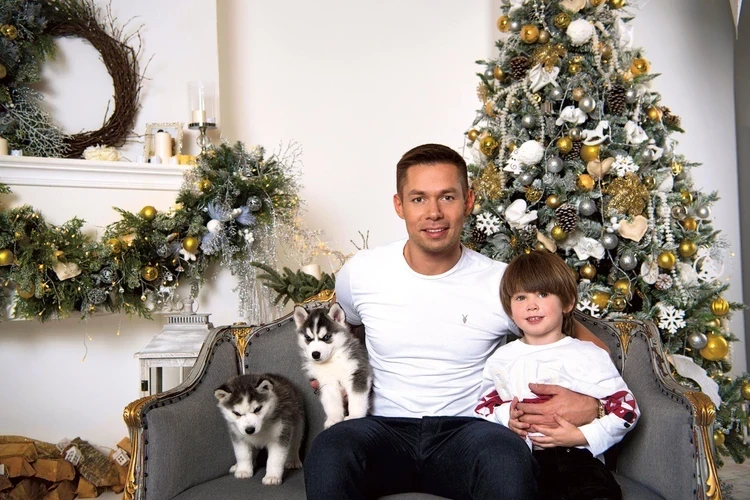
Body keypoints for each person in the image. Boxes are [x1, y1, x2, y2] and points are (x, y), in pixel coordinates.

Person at [303, 143, 606, 500]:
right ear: (399, 205)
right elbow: (342, 328)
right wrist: (332, 374)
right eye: (418, 199)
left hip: (470, 432)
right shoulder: (361, 272)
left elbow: (587, 347)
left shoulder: (503, 283)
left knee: (507, 458)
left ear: (468, 201)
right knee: (329, 450)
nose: (434, 213)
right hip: (382, 431)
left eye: (447, 197)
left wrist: (591, 403)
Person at [475, 250, 639, 500]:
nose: (531, 305)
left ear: (568, 302)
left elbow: (626, 409)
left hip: (575, 458)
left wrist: (580, 436)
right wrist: (507, 416)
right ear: (509, 309)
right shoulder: (502, 358)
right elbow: (484, 406)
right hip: (521, 458)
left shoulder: (588, 354)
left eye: (542, 294)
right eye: (521, 297)